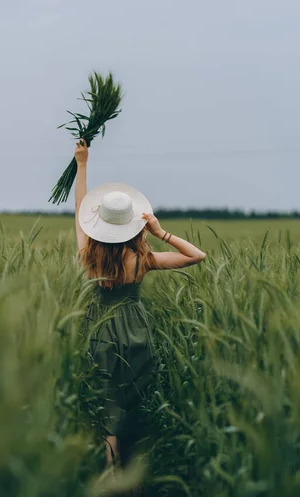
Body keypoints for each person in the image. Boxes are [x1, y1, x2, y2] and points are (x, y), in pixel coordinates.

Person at [74, 139, 206, 469]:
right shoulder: (143, 260)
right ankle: (137, 476)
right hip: (136, 334)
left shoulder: (87, 258)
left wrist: (82, 165)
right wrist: (161, 232)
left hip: (100, 332)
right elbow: (197, 256)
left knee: (107, 407)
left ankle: (108, 476)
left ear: (98, 226)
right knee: (135, 399)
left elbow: (79, 213)